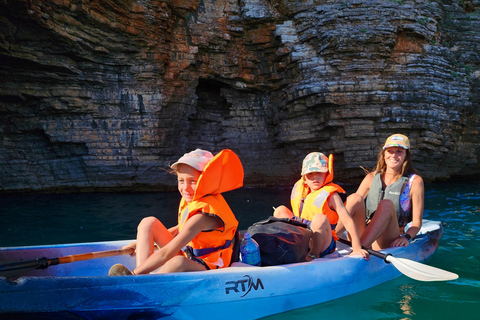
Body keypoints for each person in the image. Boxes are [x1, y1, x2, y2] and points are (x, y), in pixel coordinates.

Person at [109, 148, 243, 275]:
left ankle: (138, 278)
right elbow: (182, 228)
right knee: (148, 222)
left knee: (178, 262)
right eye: (181, 181)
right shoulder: (194, 202)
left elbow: (166, 253)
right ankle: (143, 273)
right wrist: (142, 242)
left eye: (193, 181)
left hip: (210, 266)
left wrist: (132, 274)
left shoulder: (202, 217)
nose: (186, 188)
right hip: (192, 256)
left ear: (207, 181)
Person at [274, 152, 369, 261]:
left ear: (327, 174)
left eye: (319, 172)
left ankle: (314, 254)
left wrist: (356, 248)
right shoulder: (302, 190)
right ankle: (283, 247)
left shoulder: (332, 196)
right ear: (304, 178)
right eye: (310, 173)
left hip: (324, 242)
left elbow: (347, 220)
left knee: (319, 218)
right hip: (304, 236)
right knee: (280, 210)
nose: (315, 176)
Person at [340, 133, 424, 250]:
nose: (394, 155)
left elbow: (416, 223)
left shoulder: (414, 182)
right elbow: (351, 207)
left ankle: (360, 249)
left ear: (406, 155)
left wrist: (406, 237)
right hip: (362, 232)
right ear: (384, 154)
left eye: (399, 151)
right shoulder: (370, 178)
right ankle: (328, 238)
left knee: (386, 204)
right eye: (390, 151)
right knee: (354, 198)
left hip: (387, 239)